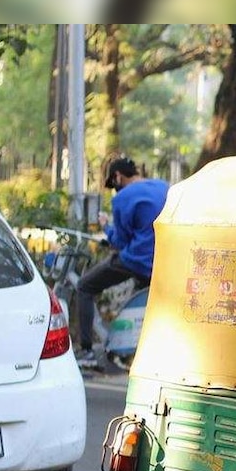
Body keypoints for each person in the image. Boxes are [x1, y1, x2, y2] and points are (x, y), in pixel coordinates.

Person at [75, 156, 168, 369]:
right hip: (163, 261)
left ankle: (87, 351)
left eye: (113, 184)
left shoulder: (123, 198)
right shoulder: (164, 187)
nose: (114, 189)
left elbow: (120, 241)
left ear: (117, 176)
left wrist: (106, 227)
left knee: (85, 286)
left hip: (137, 260)